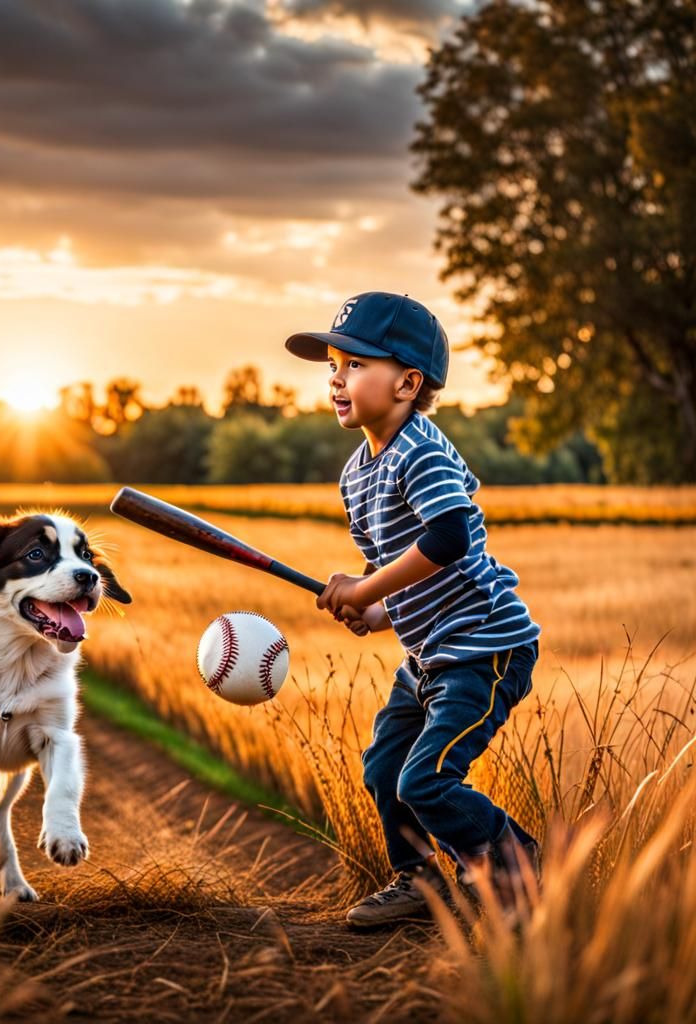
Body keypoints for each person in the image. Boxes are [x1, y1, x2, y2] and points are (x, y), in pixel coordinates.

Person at [284, 291, 541, 930]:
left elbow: (450, 537)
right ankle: (422, 885)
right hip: (428, 655)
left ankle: (520, 867)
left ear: (407, 381)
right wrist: (377, 612)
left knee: (424, 781)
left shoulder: (419, 449)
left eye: (353, 364)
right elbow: (405, 567)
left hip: (482, 648)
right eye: (332, 366)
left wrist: (366, 590)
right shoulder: (355, 474)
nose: (336, 379)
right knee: (384, 770)